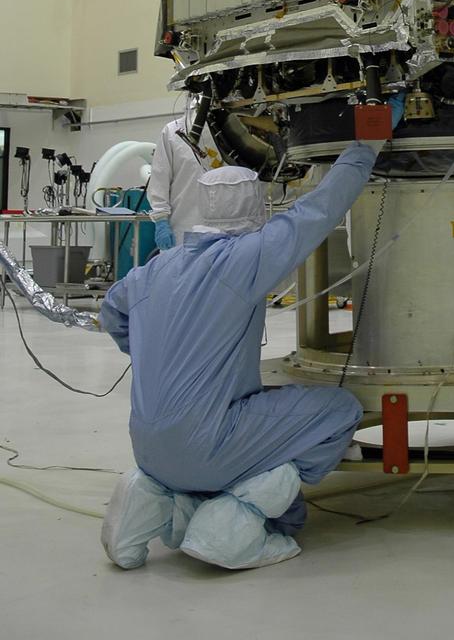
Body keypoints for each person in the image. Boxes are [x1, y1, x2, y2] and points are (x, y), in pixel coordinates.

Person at [100, 129, 394, 572]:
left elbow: (110, 314)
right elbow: (318, 210)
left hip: (147, 448)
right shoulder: (246, 257)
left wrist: (152, 355)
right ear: (254, 207)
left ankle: (149, 499)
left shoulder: (155, 270)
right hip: (208, 445)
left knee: (207, 435)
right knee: (338, 412)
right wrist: (365, 145)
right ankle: (230, 522)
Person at [148, 115, 223, 250]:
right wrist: (161, 220)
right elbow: (160, 180)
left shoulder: (232, 134)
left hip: (225, 234)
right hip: (183, 228)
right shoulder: (173, 132)